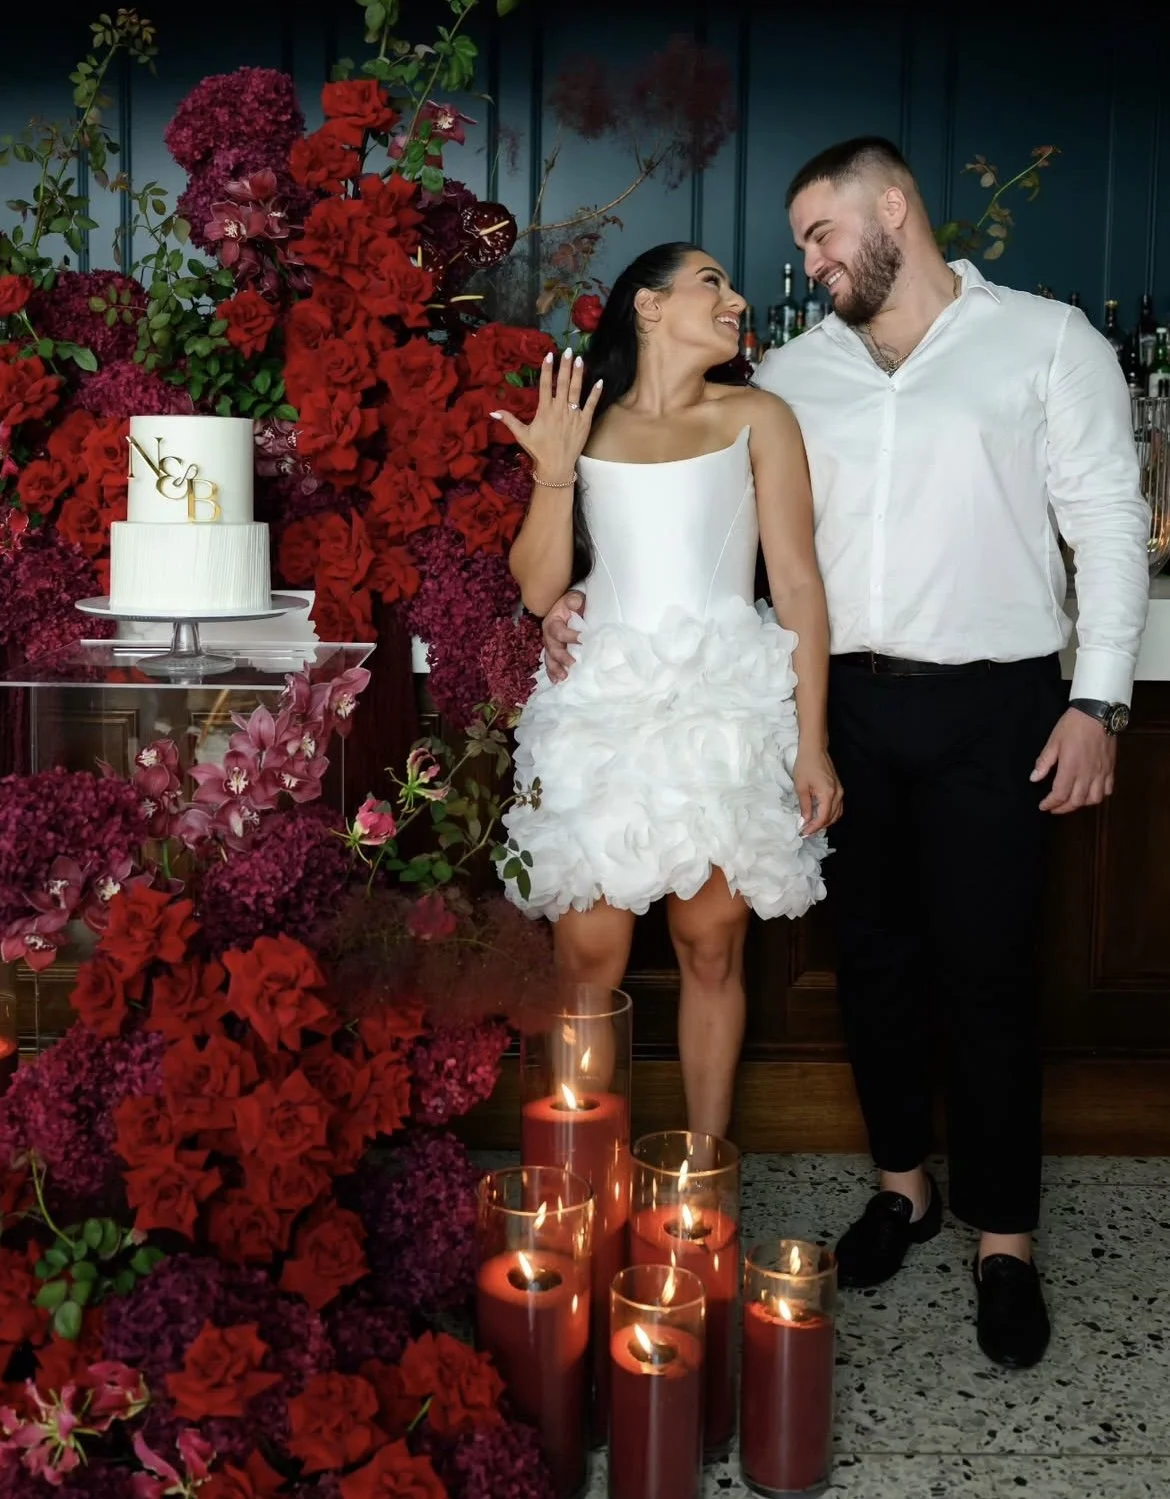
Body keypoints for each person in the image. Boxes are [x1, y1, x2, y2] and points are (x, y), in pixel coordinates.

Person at [544, 141, 1151, 1370]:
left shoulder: (1046, 340)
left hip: (998, 701)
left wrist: (1098, 700)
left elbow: (1109, 518)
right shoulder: (796, 373)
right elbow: (716, 522)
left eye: (822, 235)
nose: (809, 264)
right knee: (871, 959)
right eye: (802, 247)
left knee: (988, 967)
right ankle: (901, 1188)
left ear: (893, 207)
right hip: (838, 707)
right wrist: (574, 592)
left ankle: (1006, 1241)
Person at [493, 242, 842, 1142]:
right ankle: (579, 1183)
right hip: (599, 707)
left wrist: (812, 742)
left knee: (711, 943)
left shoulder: (759, 415)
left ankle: (703, 1183)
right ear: (646, 308)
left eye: (732, 284)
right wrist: (555, 467)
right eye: (712, 282)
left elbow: (797, 584)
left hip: (723, 708)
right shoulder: (587, 423)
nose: (736, 298)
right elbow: (538, 591)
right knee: (588, 954)